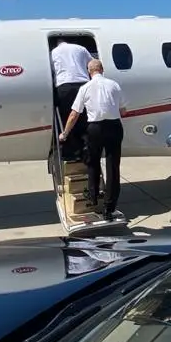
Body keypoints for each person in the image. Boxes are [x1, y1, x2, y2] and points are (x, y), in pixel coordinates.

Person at [59, 59, 127, 221]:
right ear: (102, 69)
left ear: (89, 72)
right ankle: (109, 208)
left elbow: (74, 114)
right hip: (114, 127)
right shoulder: (114, 85)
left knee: (93, 162)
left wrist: (65, 133)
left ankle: (93, 196)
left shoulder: (85, 88)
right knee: (113, 166)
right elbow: (123, 110)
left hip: (95, 128)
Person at [50, 39, 93, 161]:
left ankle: (71, 151)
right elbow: (92, 64)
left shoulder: (53, 52)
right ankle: (86, 147)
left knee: (67, 118)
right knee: (85, 117)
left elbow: (51, 71)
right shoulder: (80, 48)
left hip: (65, 86)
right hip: (84, 83)